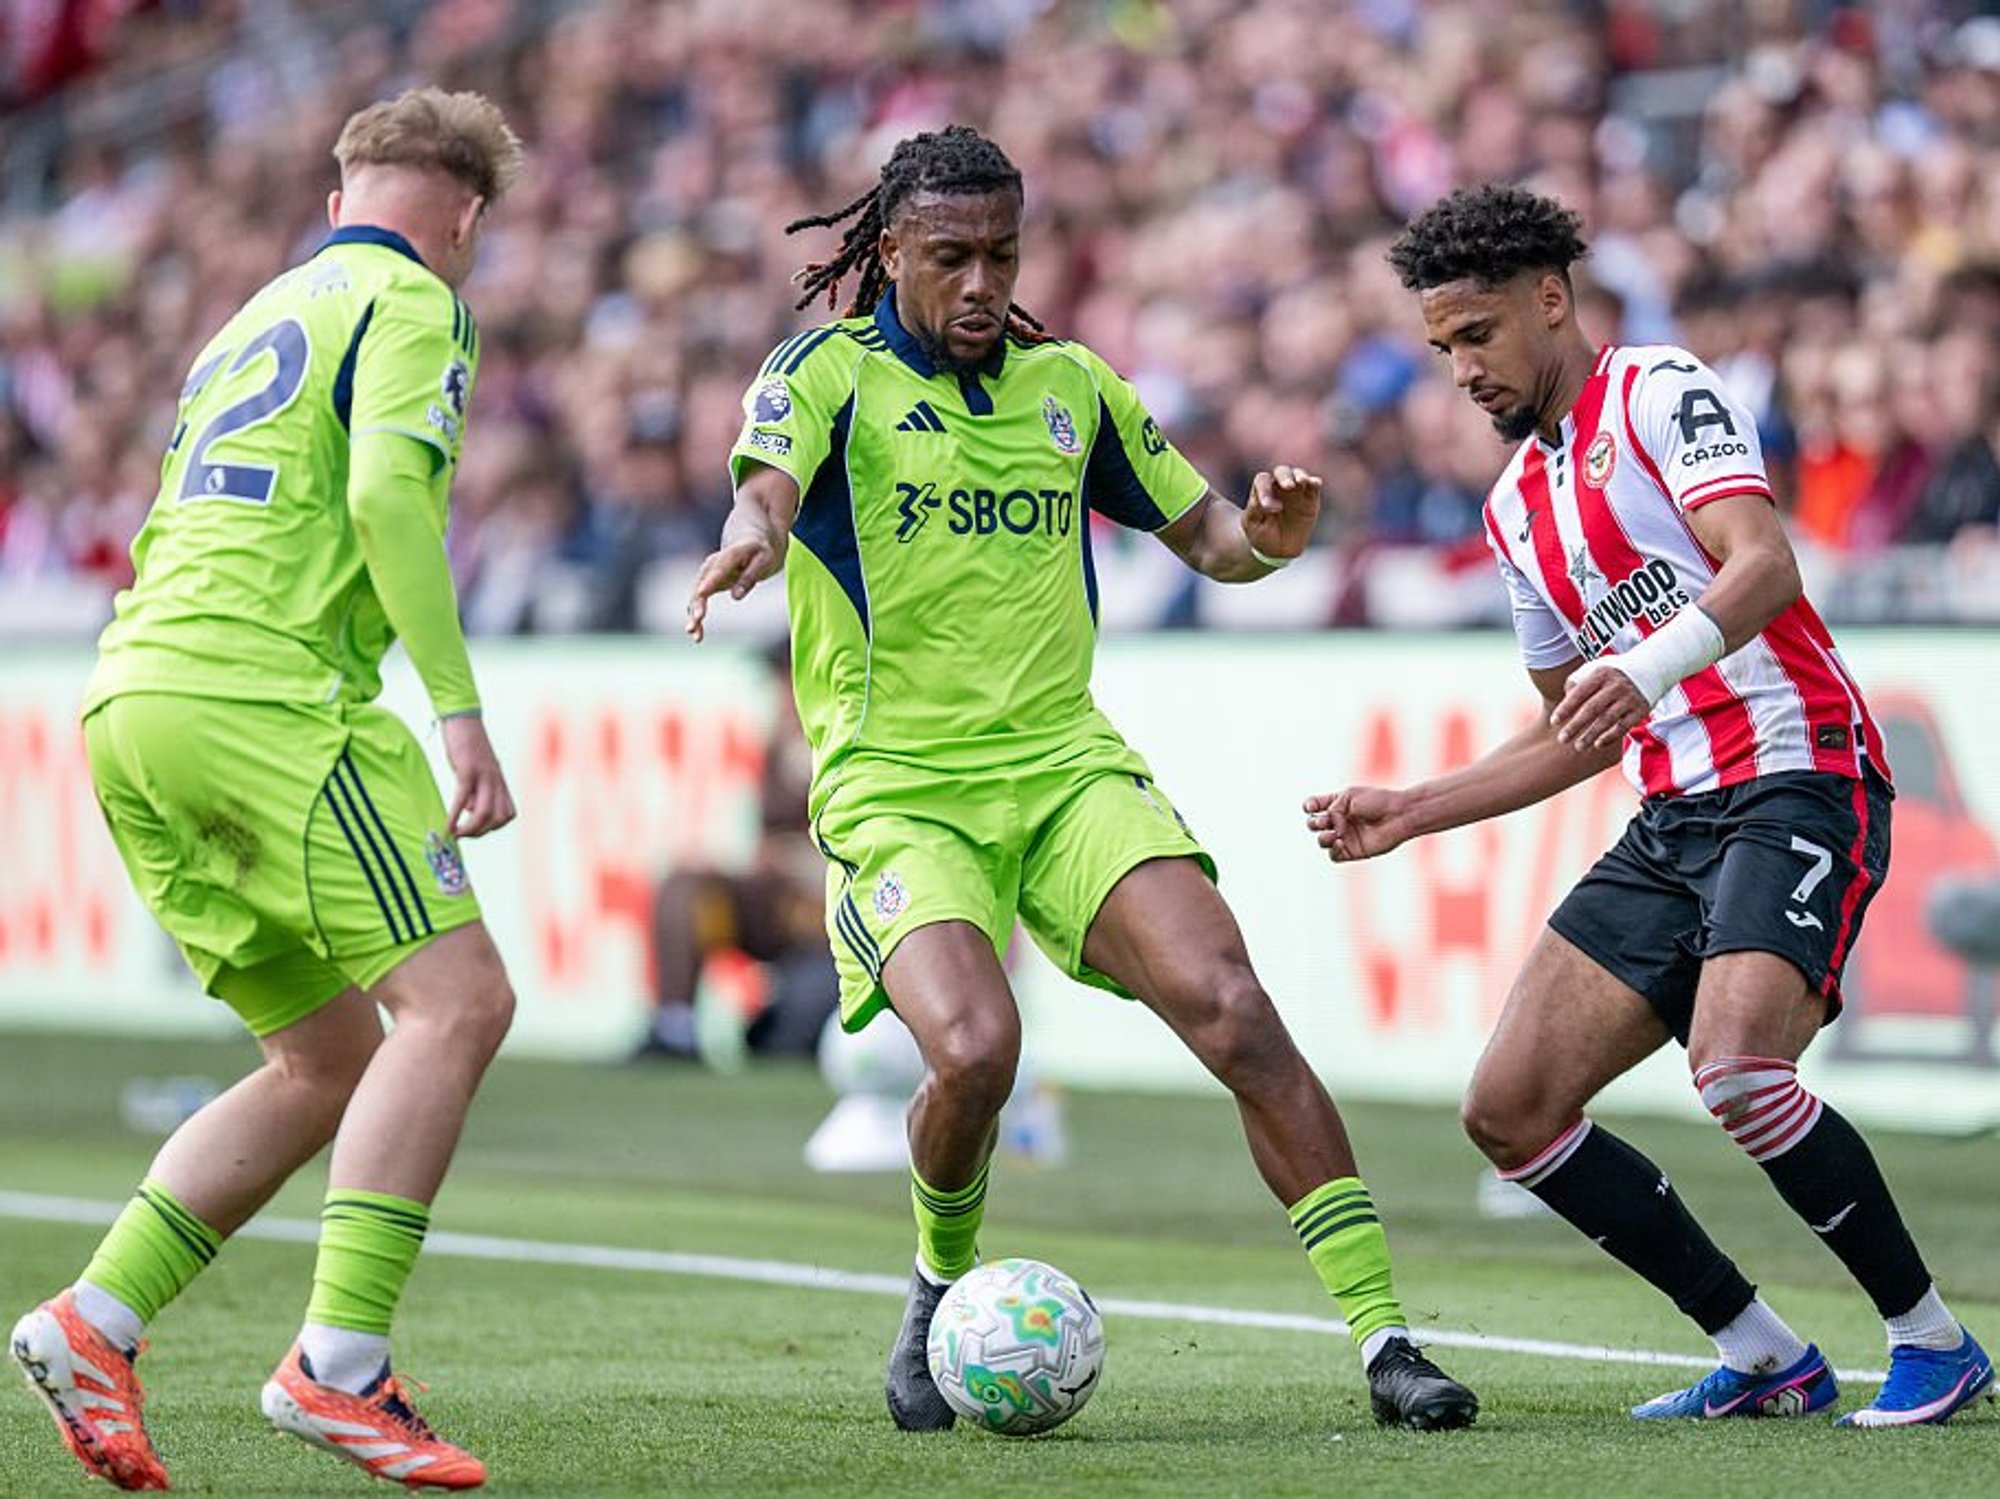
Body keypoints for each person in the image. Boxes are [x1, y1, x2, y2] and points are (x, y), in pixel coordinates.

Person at [685, 124, 1476, 1434]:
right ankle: (936, 1284)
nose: (981, 281)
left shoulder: (1071, 386)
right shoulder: (824, 373)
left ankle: (1388, 1339)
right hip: (900, 787)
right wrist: (750, 537)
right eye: (950, 256)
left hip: (1064, 769)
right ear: (890, 252)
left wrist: (1267, 539)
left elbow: (1209, 536)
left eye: (1002, 253)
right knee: (976, 1049)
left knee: (1235, 1010)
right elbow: (764, 492)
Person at [1308, 182, 1992, 1427]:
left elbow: (1762, 562)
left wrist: (1644, 664)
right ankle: (1762, 1352)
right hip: (1672, 816)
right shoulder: (1512, 507)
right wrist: (1412, 807)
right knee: (1507, 1108)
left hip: (1796, 769)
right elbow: (1571, 726)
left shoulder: (1658, 388)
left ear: (1550, 300)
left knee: (1736, 1067)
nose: (1460, 369)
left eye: (1477, 335)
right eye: (1443, 346)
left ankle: (1931, 1339)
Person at [9, 88, 525, 1490]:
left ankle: (94, 1320)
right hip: (265, 695)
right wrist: (460, 708)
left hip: (132, 701)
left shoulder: (257, 312)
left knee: (326, 1058)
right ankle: (339, 1362)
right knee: (459, 999)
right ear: (465, 216)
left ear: (341, 194)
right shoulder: (418, 304)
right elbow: (386, 498)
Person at [631, 643, 839, 1064]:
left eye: (786, 680)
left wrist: (799, 863)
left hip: (835, 911)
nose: (781, 694)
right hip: (782, 902)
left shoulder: (842, 740)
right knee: (684, 889)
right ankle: (675, 1026)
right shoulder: (777, 743)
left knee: (787, 1039)